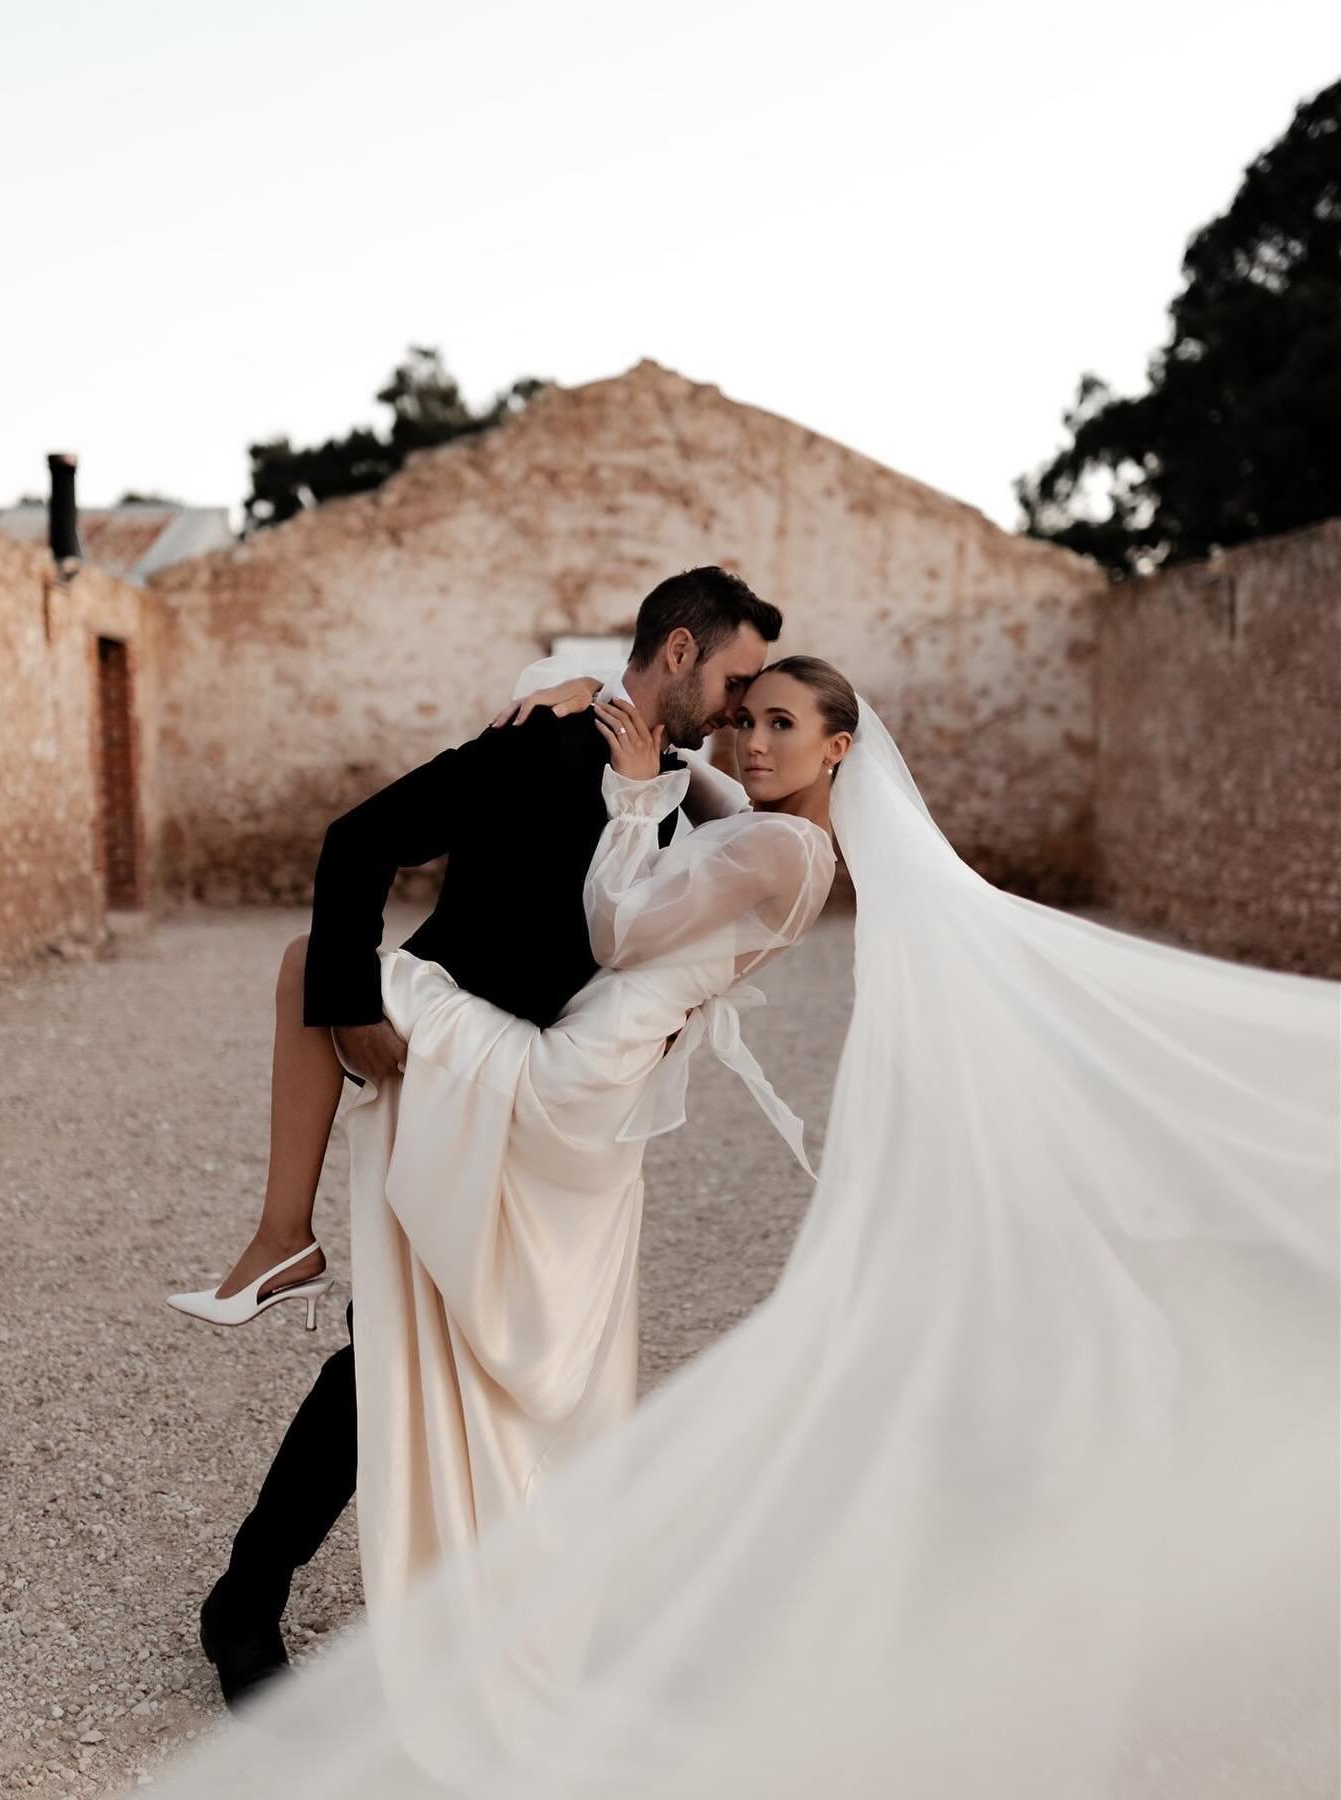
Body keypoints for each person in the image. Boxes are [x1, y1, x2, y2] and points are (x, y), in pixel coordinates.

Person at [148, 665, 1337, 1799]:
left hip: (564, 1081)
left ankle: (281, 1256)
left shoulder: (778, 844)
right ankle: (302, 1573)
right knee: (418, 1342)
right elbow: (695, 766)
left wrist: (623, 790)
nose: (748, 739)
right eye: (744, 716)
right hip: (588, 1093)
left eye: (778, 724)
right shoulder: (772, 820)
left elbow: (619, 925)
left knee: (321, 966)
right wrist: (584, 695)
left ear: (840, 750)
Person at [168, 566, 787, 1706]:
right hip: (447, 1066)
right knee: (384, 1351)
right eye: (740, 680)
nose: (746, 710)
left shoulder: (695, 797)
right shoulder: (538, 749)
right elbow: (357, 842)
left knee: (488, 1372)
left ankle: (468, 1601)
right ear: (685, 651)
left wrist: (568, 679)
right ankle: (247, 1599)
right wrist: (355, 1005)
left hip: (555, 1117)